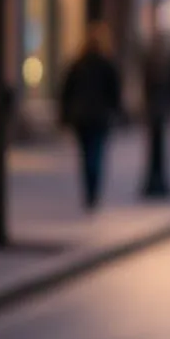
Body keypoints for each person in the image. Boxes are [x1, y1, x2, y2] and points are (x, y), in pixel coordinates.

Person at [58, 23, 122, 210]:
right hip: (99, 117)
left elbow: (66, 92)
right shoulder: (106, 64)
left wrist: (65, 114)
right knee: (97, 153)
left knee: (86, 154)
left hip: (82, 117)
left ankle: (89, 190)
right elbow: (114, 93)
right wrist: (115, 111)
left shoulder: (78, 64)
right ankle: (93, 191)